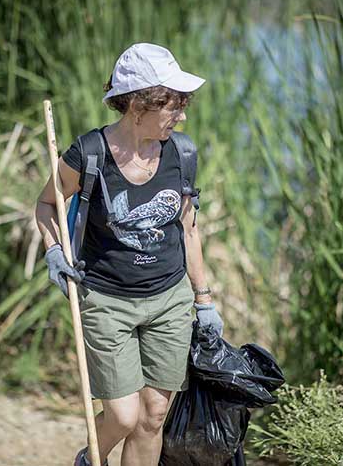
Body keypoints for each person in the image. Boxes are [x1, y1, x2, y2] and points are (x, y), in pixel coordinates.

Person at [34, 42, 224, 466]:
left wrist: (204, 300)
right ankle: (90, 460)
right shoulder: (90, 154)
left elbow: (188, 230)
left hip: (168, 300)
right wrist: (52, 250)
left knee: (153, 416)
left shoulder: (182, 152)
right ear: (140, 103)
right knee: (122, 415)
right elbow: (47, 203)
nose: (182, 115)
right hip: (107, 300)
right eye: (174, 105)